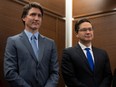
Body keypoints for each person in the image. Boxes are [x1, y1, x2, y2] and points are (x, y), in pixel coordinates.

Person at [4, 2, 59, 87]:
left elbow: (55, 72)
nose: (36, 18)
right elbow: (10, 72)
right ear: (24, 18)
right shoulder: (13, 41)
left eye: (39, 16)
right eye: (33, 14)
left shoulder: (50, 43)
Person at [61, 18, 112, 87]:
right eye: (84, 30)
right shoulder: (68, 53)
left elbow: (108, 76)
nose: (88, 32)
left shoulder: (102, 53)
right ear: (77, 34)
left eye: (90, 29)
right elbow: (69, 79)